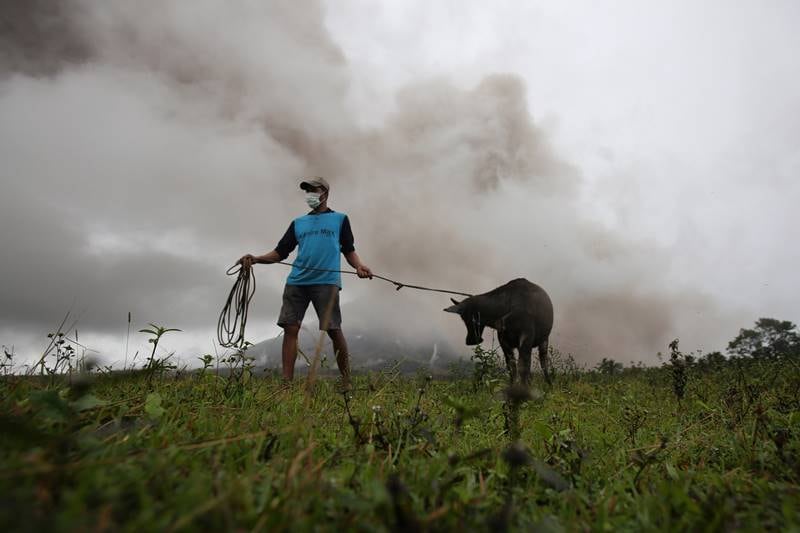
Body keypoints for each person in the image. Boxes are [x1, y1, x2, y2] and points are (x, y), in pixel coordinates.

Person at [237, 177, 372, 384]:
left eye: (314, 190)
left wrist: (359, 266)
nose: (310, 194)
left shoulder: (340, 219)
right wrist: (256, 259)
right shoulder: (298, 223)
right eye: (307, 191)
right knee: (290, 328)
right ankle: (286, 385)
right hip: (297, 281)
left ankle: (346, 382)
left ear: (325, 193)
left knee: (333, 329)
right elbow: (280, 253)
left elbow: (349, 250)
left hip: (327, 281)